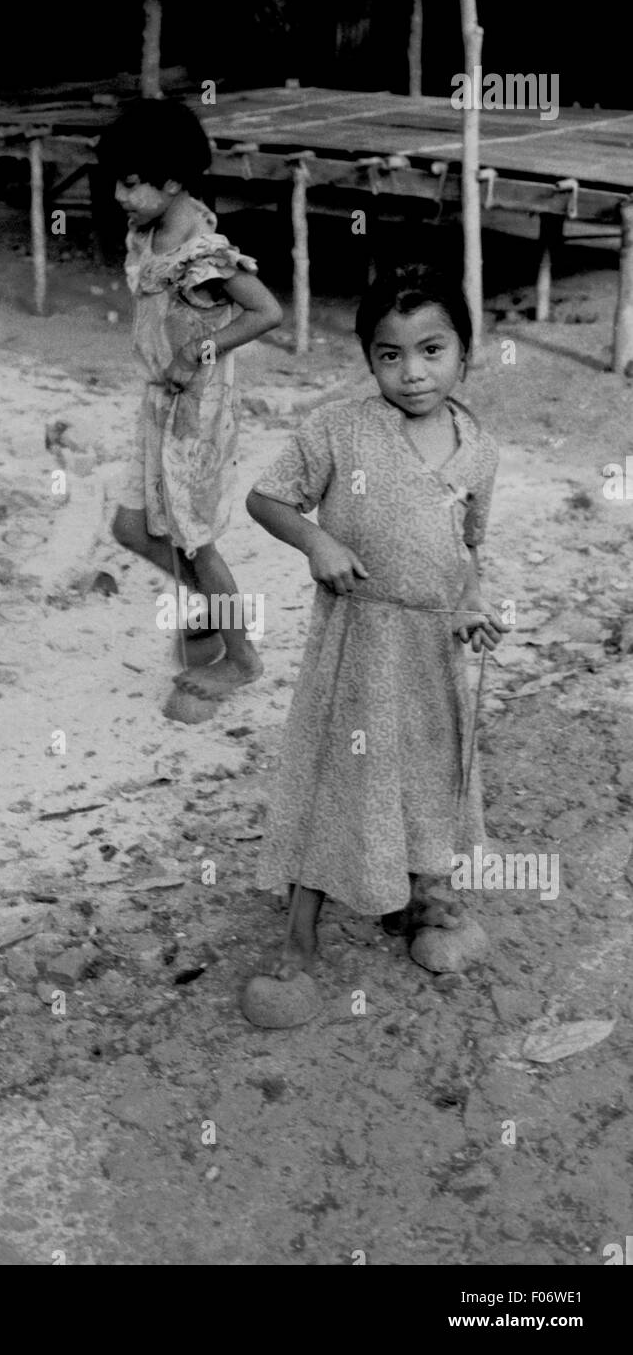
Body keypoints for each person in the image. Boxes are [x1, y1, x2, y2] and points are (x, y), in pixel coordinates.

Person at [245, 264, 509, 974]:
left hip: (431, 650)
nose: (412, 373)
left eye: (432, 351)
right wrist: (318, 541)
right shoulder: (339, 430)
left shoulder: (478, 447)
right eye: (389, 355)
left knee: (429, 774)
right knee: (338, 776)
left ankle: (426, 901)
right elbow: (267, 499)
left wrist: (470, 607)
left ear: (464, 354)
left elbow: (467, 549)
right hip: (358, 641)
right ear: (369, 361)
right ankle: (298, 939)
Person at [98, 99, 283, 696]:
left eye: (131, 183)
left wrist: (195, 352)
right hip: (159, 405)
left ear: (172, 181)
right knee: (130, 525)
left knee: (196, 541)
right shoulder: (154, 230)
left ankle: (243, 657)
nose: (120, 195)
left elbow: (266, 312)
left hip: (196, 416)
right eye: (117, 182)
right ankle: (211, 606)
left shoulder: (202, 253)